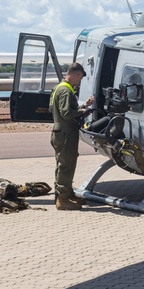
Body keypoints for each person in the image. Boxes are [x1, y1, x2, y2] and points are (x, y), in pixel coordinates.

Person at [50, 63, 95, 211]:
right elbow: (66, 113)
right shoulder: (65, 91)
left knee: (65, 163)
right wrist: (82, 112)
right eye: (80, 78)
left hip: (62, 132)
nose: (79, 81)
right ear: (76, 75)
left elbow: (54, 108)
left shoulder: (60, 88)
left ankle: (67, 193)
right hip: (66, 133)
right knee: (66, 165)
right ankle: (62, 199)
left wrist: (81, 107)